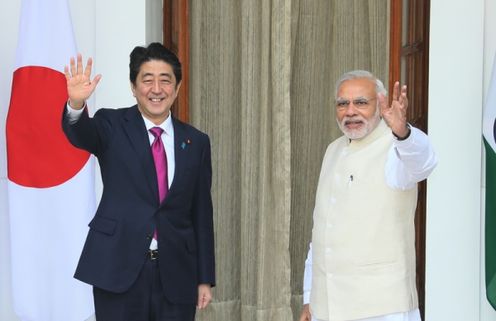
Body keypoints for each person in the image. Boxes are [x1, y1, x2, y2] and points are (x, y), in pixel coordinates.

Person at [62, 42, 215, 321]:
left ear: (177, 88)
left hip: (176, 273)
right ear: (134, 87)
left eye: (165, 80)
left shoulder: (196, 142)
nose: (156, 89)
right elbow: (80, 133)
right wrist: (76, 104)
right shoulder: (111, 125)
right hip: (118, 268)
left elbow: (202, 213)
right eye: (147, 80)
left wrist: (205, 277)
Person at [299, 70, 437, 321]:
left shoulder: (396, 148)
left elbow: (424, 163)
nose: (350, 111)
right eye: (343, 104)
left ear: (380, 105)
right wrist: (310, 296)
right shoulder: (333, 150)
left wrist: (403, 132)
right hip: (327, 306)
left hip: (380, 308)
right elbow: (322, 231)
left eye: (361, 102)